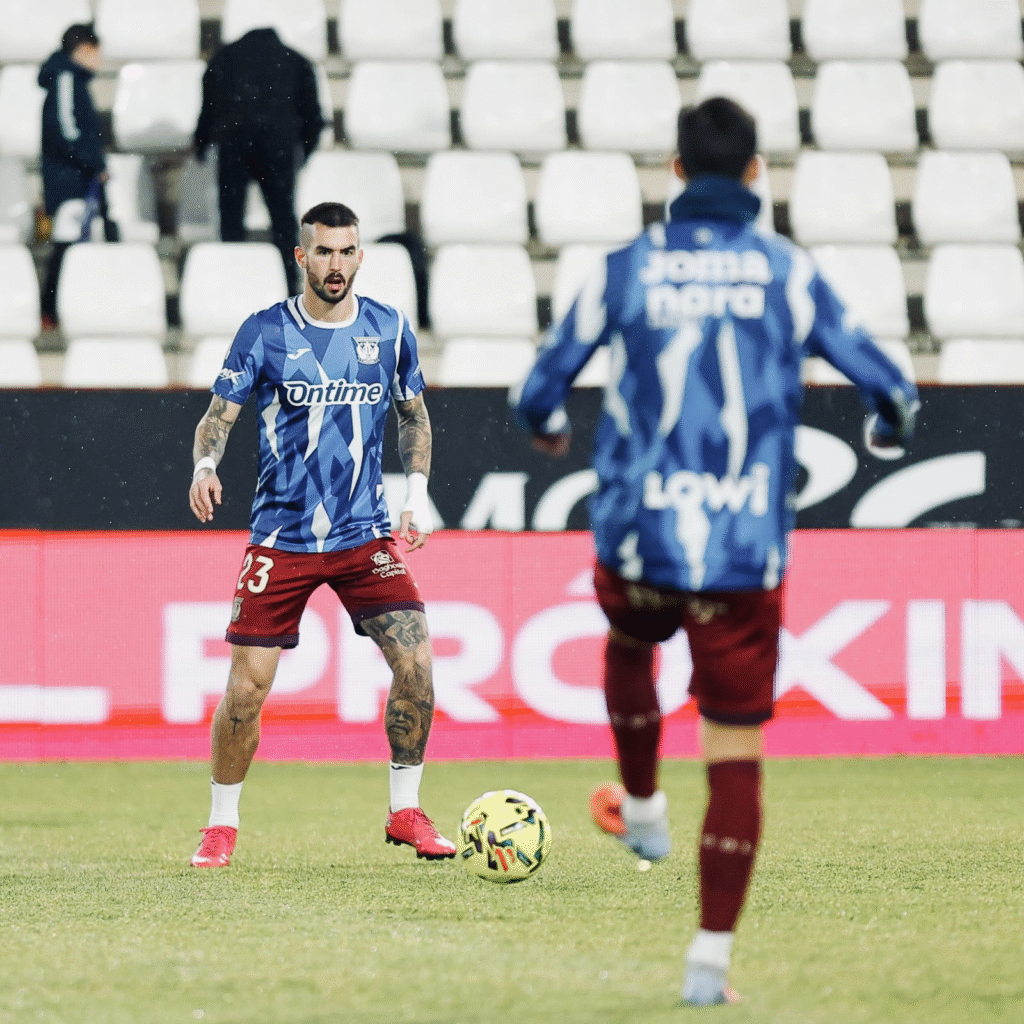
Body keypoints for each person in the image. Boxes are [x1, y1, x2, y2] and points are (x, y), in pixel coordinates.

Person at [510, 97, 919, 1006]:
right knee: (735, 752)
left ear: (676, 172)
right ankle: (708, 964)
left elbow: (535, 390)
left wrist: (544, 432)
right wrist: (887, 429)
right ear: (758, 175)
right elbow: (891, 387)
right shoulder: (788, 273)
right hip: (742, 553)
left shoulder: (624, 271)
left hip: (639, 539)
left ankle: (645, 808)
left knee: (630, 643)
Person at [187, 201, 455, 868]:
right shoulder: (265, 332)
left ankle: (406, 811)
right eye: (324, 252)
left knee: (417, 665)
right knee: (246, 692)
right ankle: (221, 824)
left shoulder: (390, 330)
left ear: (361, 256)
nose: (336, 265)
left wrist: (415, 497)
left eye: (347, 252)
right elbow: (218, 414)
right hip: (282, 537)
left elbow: (413, 417)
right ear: (301, 257)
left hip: (365, 537)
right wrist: (205, 464)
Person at [192, 27, 325, 294]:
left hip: (234, 145)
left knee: (231, 216)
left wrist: (201, 144)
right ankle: (289, 282)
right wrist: (303, 154)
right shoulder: (296, 60)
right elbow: (313, 118)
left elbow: (208, 109)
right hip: (277, 147)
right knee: (283, 218)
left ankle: (234, 283)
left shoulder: (223, 58)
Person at [37, 23, 113, 329]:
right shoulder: (66, 79)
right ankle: (50, 310)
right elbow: (66, 131)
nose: (99, 61)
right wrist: (94, 163)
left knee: (77, 246)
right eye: (96, 53)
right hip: (69, 182)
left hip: (78, 179)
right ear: (83, 51)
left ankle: (65, 307)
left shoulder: (72, 81)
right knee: (67, 246)